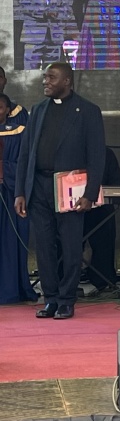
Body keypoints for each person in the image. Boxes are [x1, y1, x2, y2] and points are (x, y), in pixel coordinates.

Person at [15, 62, 106, 320]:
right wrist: (20, 191)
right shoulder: (38, 110)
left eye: (51, 77)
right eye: (45, 77)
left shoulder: (88, 111)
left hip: (70, 189)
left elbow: (97, 156)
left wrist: (90, 194)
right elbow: (25, 154)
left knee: (70, 245)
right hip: (39, 188)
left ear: (67, 81)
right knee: (44, 247)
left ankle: (67, 300)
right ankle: (51, 299)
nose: (45, 81)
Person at [0, 86, 38, 304]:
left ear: (8, 110)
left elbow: (25, 162)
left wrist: (5, 169)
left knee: (11, 242)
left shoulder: (19, 129)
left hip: (11, 192)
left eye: (0, 108)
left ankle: (13, 289)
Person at [82, 147, 120, 293]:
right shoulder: (67, 151)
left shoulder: (105, 153)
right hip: (71, 210)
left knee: (104, 232)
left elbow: (117, 182)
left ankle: (103, 280)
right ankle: (65, 281)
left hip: (100, 208)